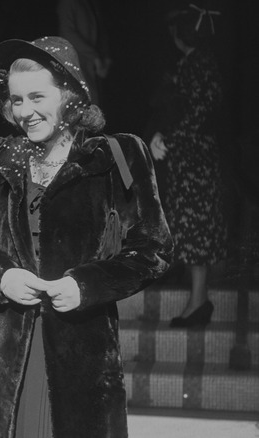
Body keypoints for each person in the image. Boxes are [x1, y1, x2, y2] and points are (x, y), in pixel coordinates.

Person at [0, 37, 172, 437]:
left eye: (38, 96)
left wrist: (85, 285)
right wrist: (2, 277)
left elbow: (153, 248)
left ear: (70, 95)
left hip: (83, 350)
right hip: (7, 357)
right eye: (17, 100)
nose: (26, 111)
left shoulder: (117, 156)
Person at [148, 4, 227, 328]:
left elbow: (199, 111)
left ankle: (198, 300)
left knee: (196, 229)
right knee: (192, 229)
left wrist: (171, 137)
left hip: (195, 158)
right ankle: (197, 300)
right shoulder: (194, 63)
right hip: (190, 156)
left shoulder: (200, 64)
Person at [57, 0, 111, 106]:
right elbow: (68, 32)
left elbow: (101, 30)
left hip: (93, 66)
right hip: (76, 63)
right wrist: (95, 56)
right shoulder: (68, 3)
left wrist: (106, 57)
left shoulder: (90, 4)